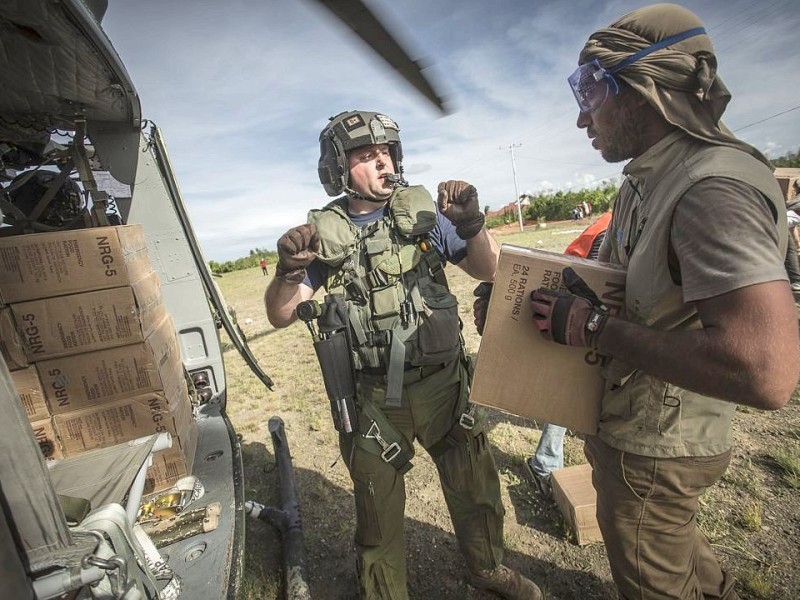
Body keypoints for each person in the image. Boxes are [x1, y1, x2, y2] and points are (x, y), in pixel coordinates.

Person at [527, 5, 800, 599]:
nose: (581, 117)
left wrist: (597, 329)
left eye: (593, 89)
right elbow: (624, 283)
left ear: (646, 87)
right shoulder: (646, 180)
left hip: (658, 447)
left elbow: (766, 372)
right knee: (677, 551)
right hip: (635, 431)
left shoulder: (710, 188)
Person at [264, 110, 541, 600]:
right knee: (376, 520)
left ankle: (487, 568)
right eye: (367, 156)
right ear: (337, 168)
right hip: (374, 400)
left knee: (476, 490)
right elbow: (282, 315)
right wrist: (288, 273)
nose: (382, 163)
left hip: (445, 384)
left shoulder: (423, 215)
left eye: (387, 152)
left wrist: (473, 226)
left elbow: (489, 269)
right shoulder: (326, 235)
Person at [525, 212, 611, 497]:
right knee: (575, 385)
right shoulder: (612, 228)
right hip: (575, 294)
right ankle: (546, 465)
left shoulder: (624, 219)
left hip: (585, 298)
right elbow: (599, 278)